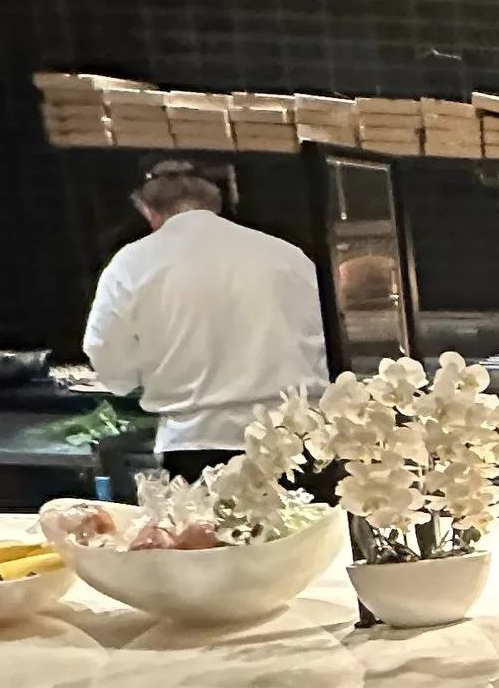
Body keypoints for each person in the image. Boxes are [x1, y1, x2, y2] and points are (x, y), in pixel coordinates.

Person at [83, 162, 329, 471]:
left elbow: (105, 351)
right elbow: (328, 336)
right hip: (296, 436)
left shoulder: (131, 263)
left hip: (196, 442)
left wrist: (128, 380)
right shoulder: (287, 254)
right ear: (216, 202)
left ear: (148, 210)